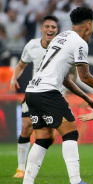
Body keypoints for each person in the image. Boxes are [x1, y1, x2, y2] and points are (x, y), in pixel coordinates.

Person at [23, 7, 93, 184]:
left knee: (44, 138)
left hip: (32, 91)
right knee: (70, 133)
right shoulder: (79, 42)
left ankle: (27, 181)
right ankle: (76, 181)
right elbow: (85, 76)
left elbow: (65, 79)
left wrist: (87, 98)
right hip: (47, 92)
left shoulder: (61, 37)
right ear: (89, 24)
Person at [9, 15, 59, 178]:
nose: (50, 30)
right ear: (41, 28)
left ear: (57, 30)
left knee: (48, 136)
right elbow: (22, 64)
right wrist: (14, 77)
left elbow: (70, 73)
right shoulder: (32, 45)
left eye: (53, 27)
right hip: (34, 92)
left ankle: (34, 164)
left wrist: (65, 92)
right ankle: (21, 168)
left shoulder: (61, 47)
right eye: (47, 26)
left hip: (53, 95)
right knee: (26, 126)